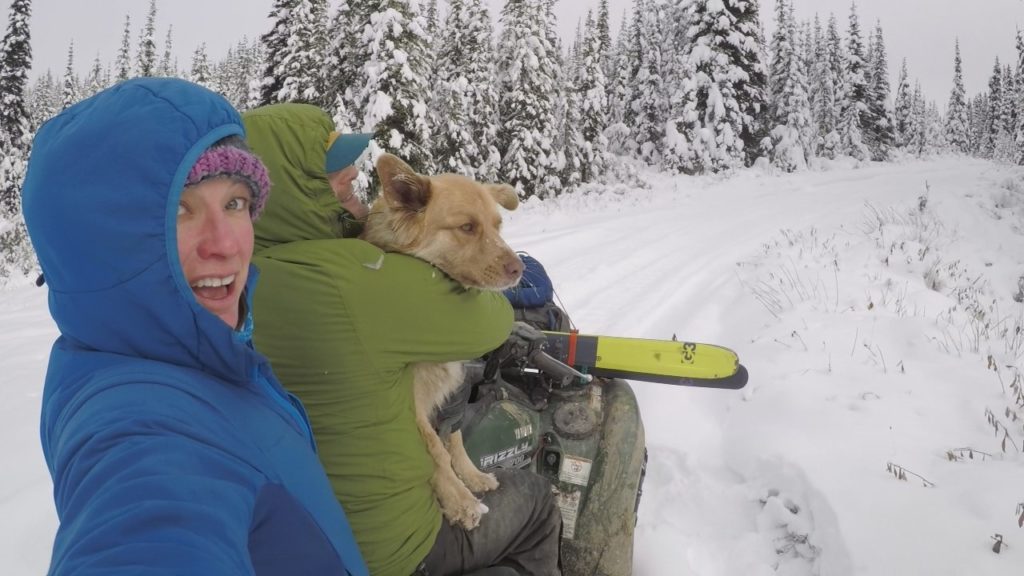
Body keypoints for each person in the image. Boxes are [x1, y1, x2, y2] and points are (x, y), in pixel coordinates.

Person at [22, 78, 367, 576]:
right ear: (101, 245)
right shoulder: (138, 423)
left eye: (235, 204)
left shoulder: (191, 351)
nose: (226, 244)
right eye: (180, 211)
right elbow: (149, 520)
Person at [242, 103, 562, 576]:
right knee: (536, 501)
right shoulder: (356, 279)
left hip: (303, 538)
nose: (354, 174)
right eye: (334, 172)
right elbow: (492, 323)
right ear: (290, 188)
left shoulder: (239, 278)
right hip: (392, 547)